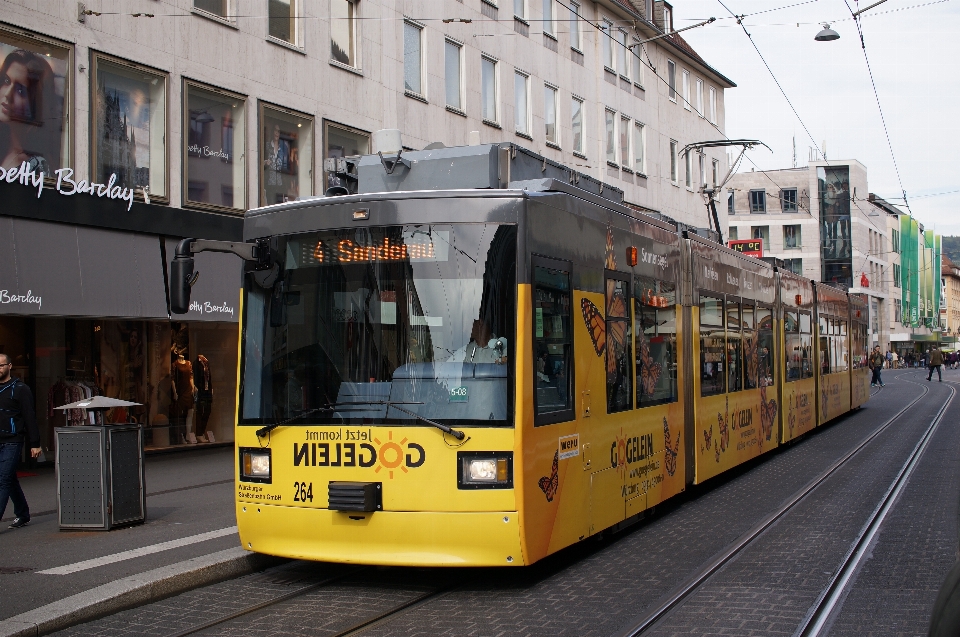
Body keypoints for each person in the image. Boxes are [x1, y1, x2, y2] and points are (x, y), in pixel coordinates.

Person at [0, 49, 59, 171]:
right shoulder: (4, 147)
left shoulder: (36, 165)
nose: (8, 94)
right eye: (6, 81)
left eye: (20, 90)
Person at [0, 353, 40, 529]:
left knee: (3, 479)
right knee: (9, 479)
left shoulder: (20, 388)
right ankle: (23, 514)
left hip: (13, 440)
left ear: (9, 366)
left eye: (1, 365)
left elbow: (29, 416)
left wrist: (35, 443)